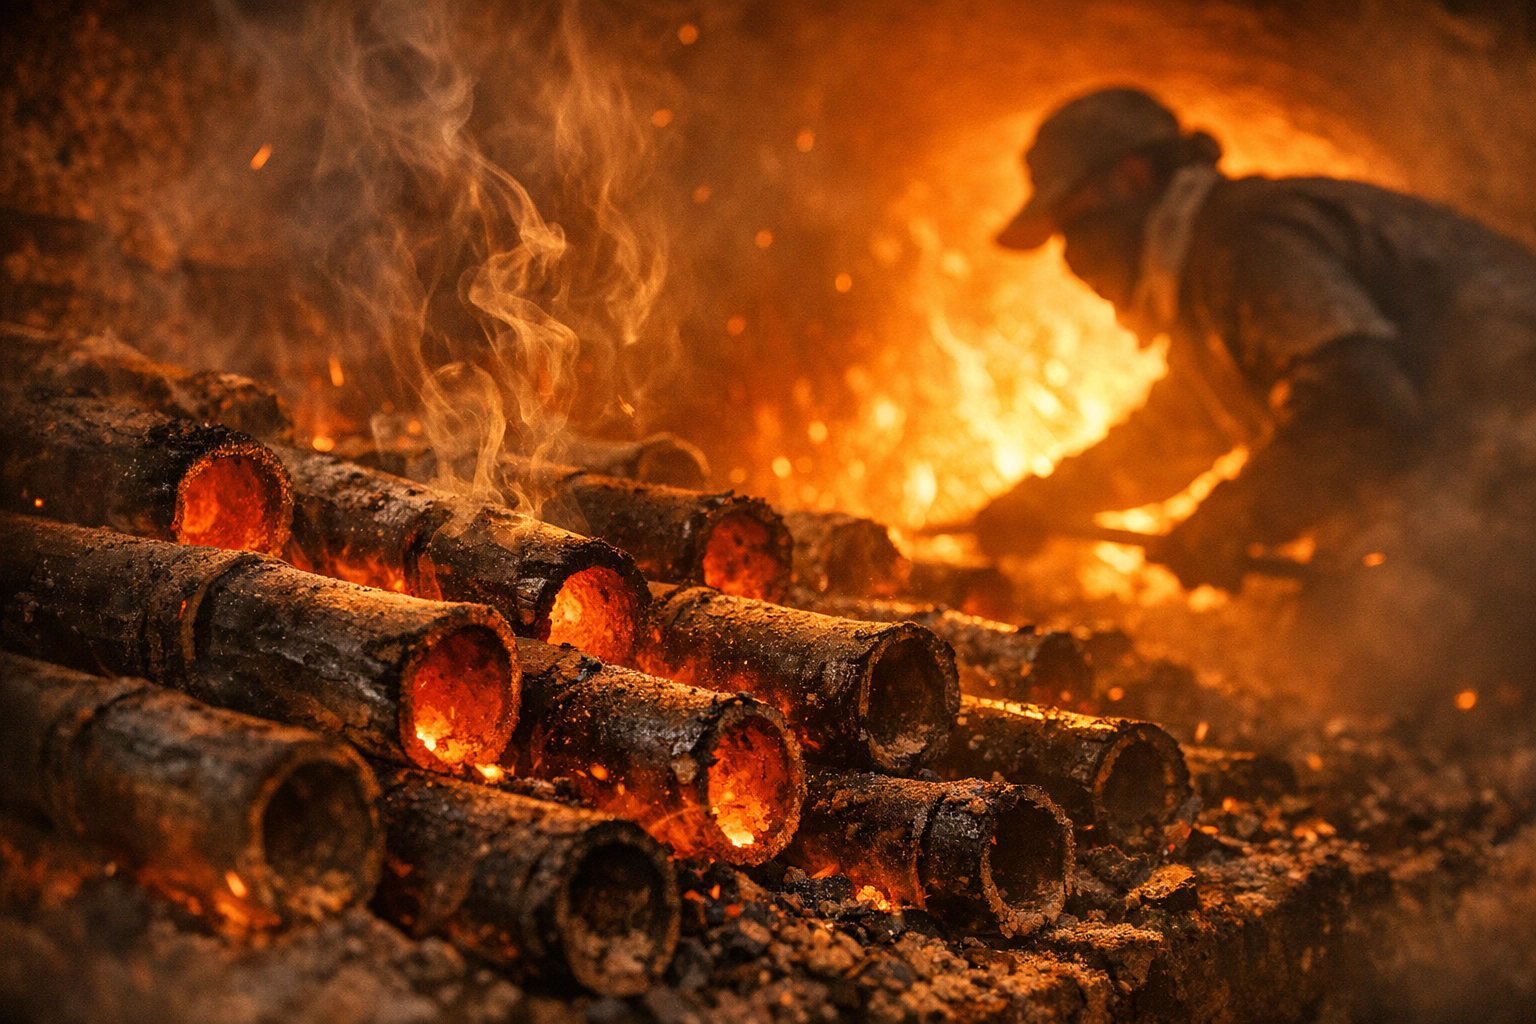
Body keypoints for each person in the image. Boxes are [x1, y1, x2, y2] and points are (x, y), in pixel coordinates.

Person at [976, 87, 1536, 694]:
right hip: (1490, 477)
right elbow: (1177, 433)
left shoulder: (1250, 242)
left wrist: (1234, 519)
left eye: (1076, 225)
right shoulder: (1217, 273)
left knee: (1361, 665)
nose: (1073, 258)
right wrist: (1045, 503)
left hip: (1513, 469)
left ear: (1134, 179)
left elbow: (1361, 410)